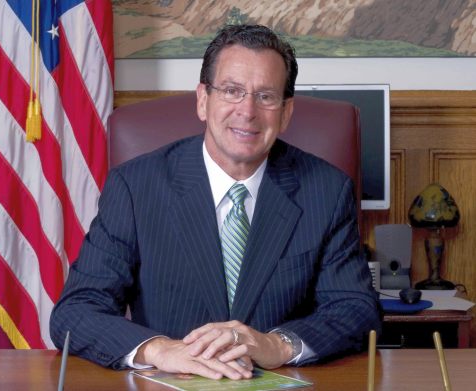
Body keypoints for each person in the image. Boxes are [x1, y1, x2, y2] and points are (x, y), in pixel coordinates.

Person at [50, 24, 380, 380]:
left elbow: (356, 308)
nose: (247, 111)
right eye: (232, 91)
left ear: (285, 113)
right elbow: (76, 311)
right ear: (203, 101)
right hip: (171, 384)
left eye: (265, 96)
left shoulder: (326, 191)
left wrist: (278, 344)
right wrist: (160, 349)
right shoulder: (136, 186)